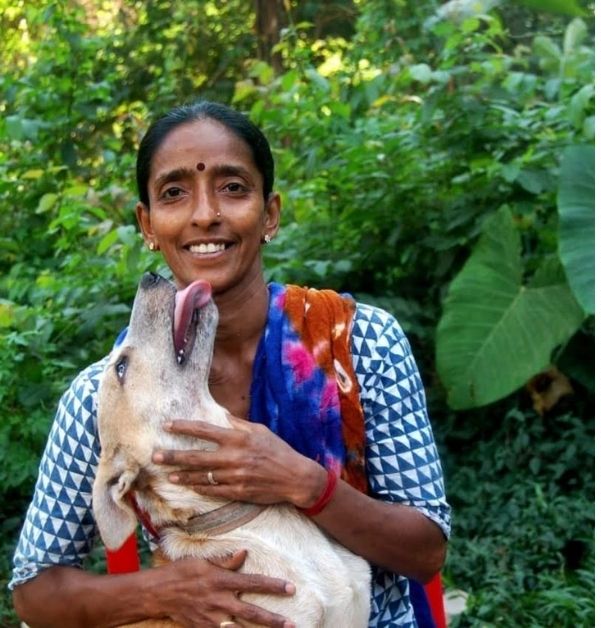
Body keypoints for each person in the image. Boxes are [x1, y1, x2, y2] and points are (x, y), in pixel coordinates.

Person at [9, 101, 450, 627]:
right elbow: (35, 591)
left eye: (233, 187)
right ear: (147, 225)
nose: (205, 214)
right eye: (174, 193)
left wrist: (307, 485)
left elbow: (425, 553)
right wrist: (162, 594)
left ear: (270, 214)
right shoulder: (103, 400)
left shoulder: (360, 344)